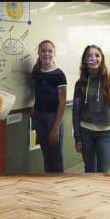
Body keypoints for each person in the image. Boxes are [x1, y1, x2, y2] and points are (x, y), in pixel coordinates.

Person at [72, 45, 110, 173]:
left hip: (106, 134)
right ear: (85, 60)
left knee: (103, 171)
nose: (93, 58)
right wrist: (77, 138)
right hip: (85, 133)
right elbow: (76, 112)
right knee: (89, 170)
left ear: (102, 59)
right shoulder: (80, 84)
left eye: (97, 55)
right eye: (89, 55)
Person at [31, 40, 67, 173]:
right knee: (46, 155)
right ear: (39, 53)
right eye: (43, 51)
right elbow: (38, 92)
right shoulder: (37, 72)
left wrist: (56, 128)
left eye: (50, 51)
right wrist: (33, 106)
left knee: (56, 157)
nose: (47, 54)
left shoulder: (59, 75)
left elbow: (62, 102)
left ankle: (57, 187)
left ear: (54, 53)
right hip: (39, 117)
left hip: (54, 118)